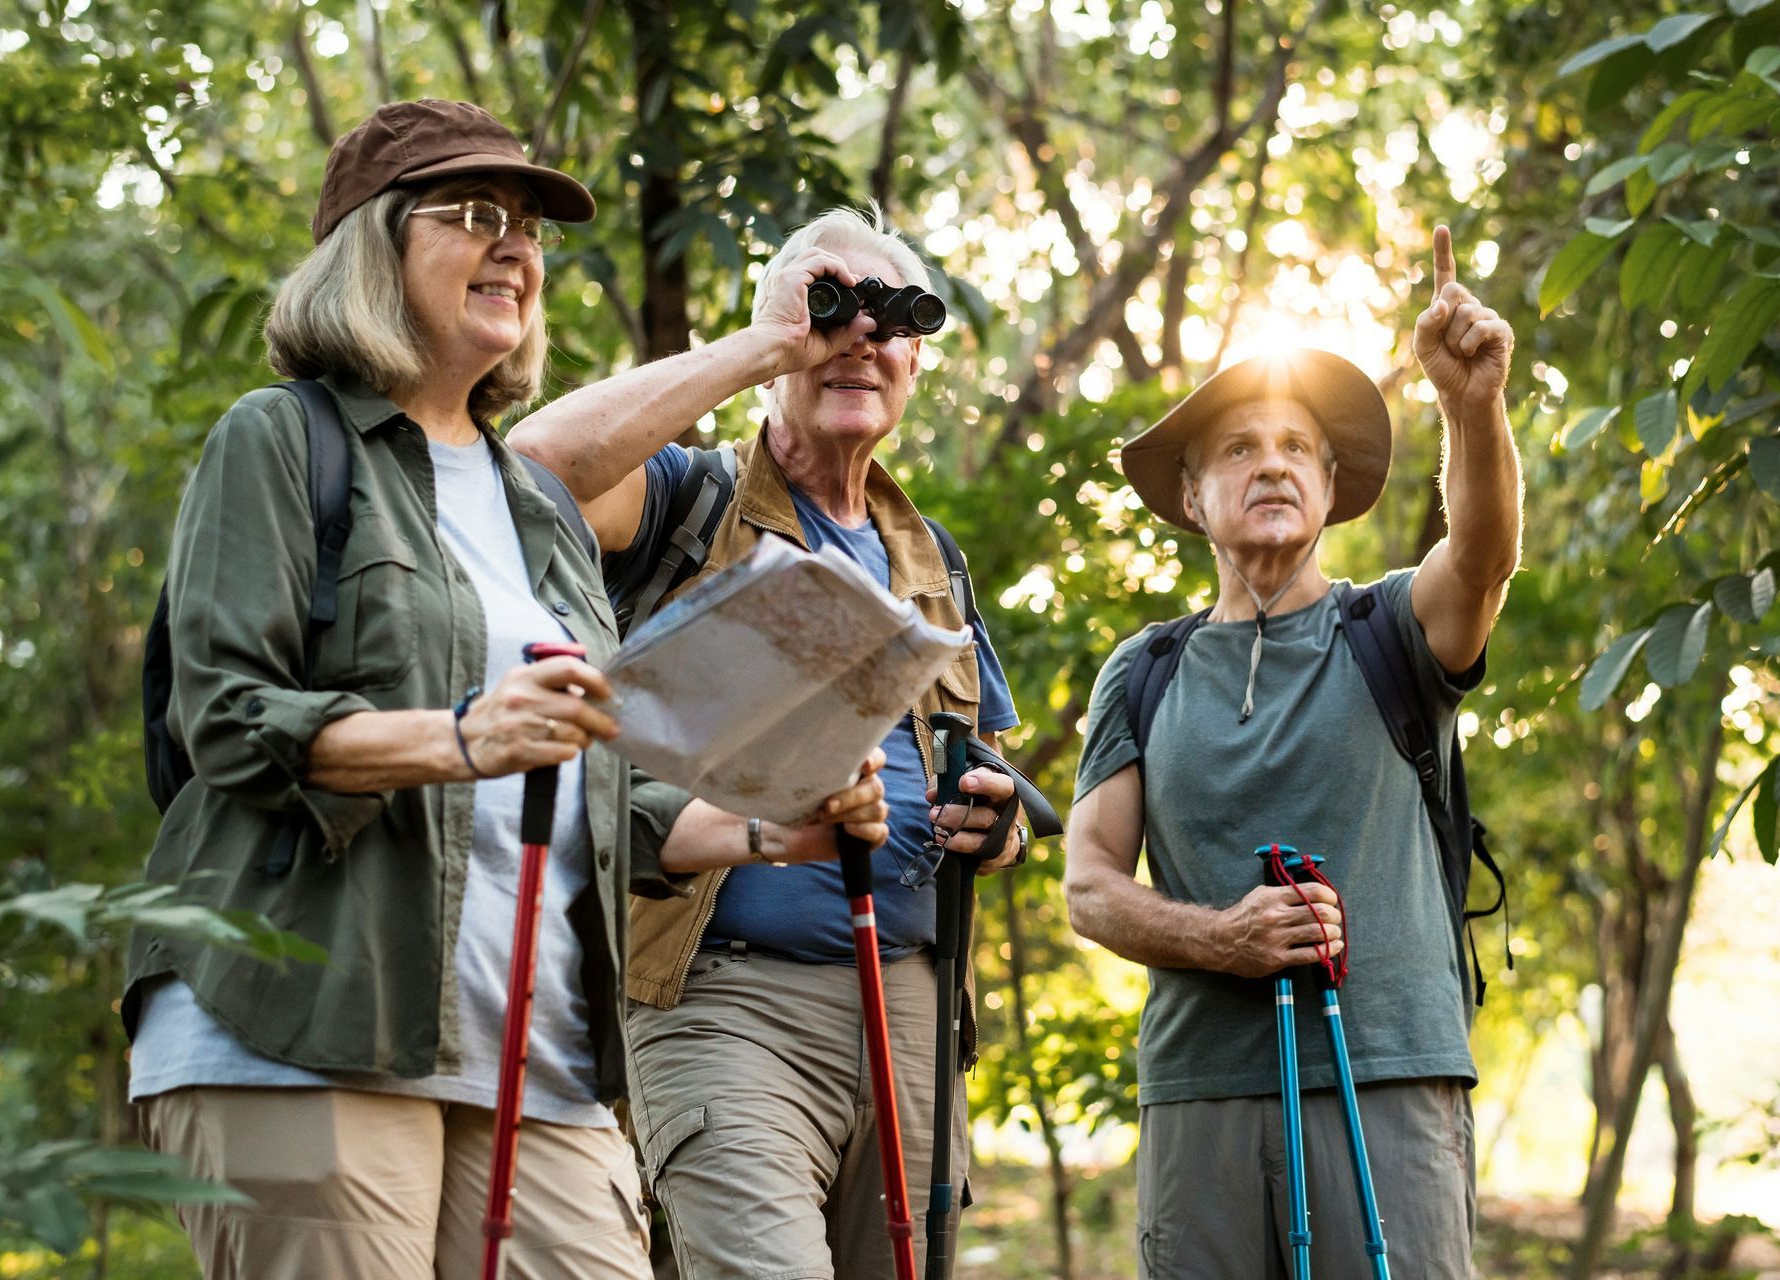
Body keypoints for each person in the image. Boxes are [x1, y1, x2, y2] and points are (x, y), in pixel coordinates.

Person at [121, 100, 884, 1280]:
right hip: (300, 1022)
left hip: (538, 1055)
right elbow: (224, 715)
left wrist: (767, 827)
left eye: (528, 226)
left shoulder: (536, 510)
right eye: (476, 215)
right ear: (371, 247)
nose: (516, 246)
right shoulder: (282, 439)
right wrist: (460, 734)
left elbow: (598, 784)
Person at [510, 206, 1027, 1279]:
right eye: (832, 309)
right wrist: (765, 343)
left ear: (919, 359)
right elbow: (536, 465)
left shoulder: (936, 560)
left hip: (916, 1009)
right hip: (726, 1001)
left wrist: (1000, 824)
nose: (862, 340)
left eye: (891, 320)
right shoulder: (685, 498)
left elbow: (986, 775)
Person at [1063, 227, 1521, 1280]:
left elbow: (1487, 552)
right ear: (1192, 497)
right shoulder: (1145, 670)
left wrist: (1470, 405)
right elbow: (1089, 888)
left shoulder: (1393, 628)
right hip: (1201, 1095)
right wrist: (1220, 936)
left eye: (1295, 445)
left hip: (1388, 1074)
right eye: (1238, 447)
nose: (1269, 460)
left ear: (1327, 482)